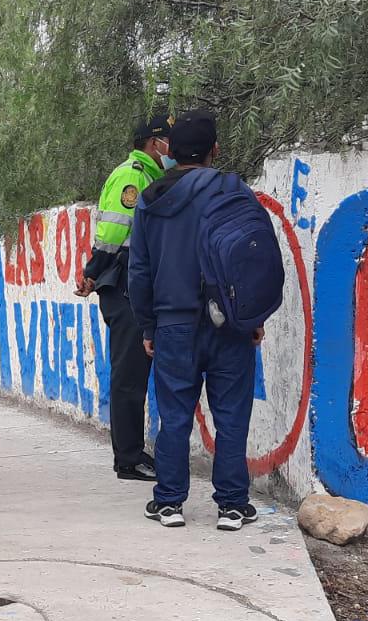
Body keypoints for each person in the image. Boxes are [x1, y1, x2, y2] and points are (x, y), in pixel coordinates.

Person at [127, 109, 267, 531]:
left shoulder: (151, 199)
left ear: (169, 152)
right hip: (230, 325)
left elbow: (139, 271)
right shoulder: (235, 190)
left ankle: (169, 502)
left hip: (174, 326)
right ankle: (232, 506)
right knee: (231, 416)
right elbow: (255, 257)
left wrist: (148, 326)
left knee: (174, 416)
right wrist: (253, 316)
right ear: (215, 150)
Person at [77, 114, 173, 481]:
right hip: (124, 284)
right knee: (129, 372)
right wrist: (91, 270)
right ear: (154, 144)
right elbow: (112, 234)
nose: (172, 151)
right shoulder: (132, 175)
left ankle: (133, 452)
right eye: (167, 144)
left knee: (135, 370)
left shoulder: (150, 175)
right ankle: (127, 458)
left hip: (134, 283)